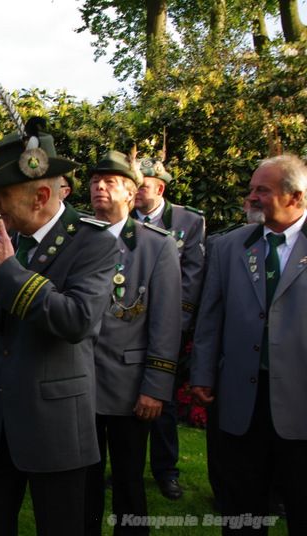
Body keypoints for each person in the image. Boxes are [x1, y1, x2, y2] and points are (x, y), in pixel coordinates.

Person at [0, 129, 118, 535]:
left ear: (40, 196)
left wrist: (8, 271)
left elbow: (76, 320)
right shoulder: (3, 239)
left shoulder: (93, 243)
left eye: (2, 195)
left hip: (55, 427)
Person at [191, 154, 307, 535]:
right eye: (252, 188)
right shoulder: (228, 246)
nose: (252, 197)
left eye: (263, 190)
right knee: (241, 510)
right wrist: (202, 374)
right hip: (242, 402)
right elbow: (210, 316)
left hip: (301, 404)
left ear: (296, 197)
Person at [83, 150, 181, 536]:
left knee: (128, 480)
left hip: (129, 385)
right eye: (95, 182)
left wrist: (155, 387)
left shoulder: (156, 245)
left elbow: (166, 323)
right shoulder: (76, 238)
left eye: (109, 182)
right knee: (83, 480)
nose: (99, 188)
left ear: (131, 192)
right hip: (79, 380)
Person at [132, 157, 206, 500]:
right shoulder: (122, 219)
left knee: (162, 400)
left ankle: (166, 471)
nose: (136, 192)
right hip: (127, 325)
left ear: (159, 188)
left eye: (143, 186)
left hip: (167, 327)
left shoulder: (188, 221)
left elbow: (192, 276)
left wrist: (177, 324)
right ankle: (127, 469)